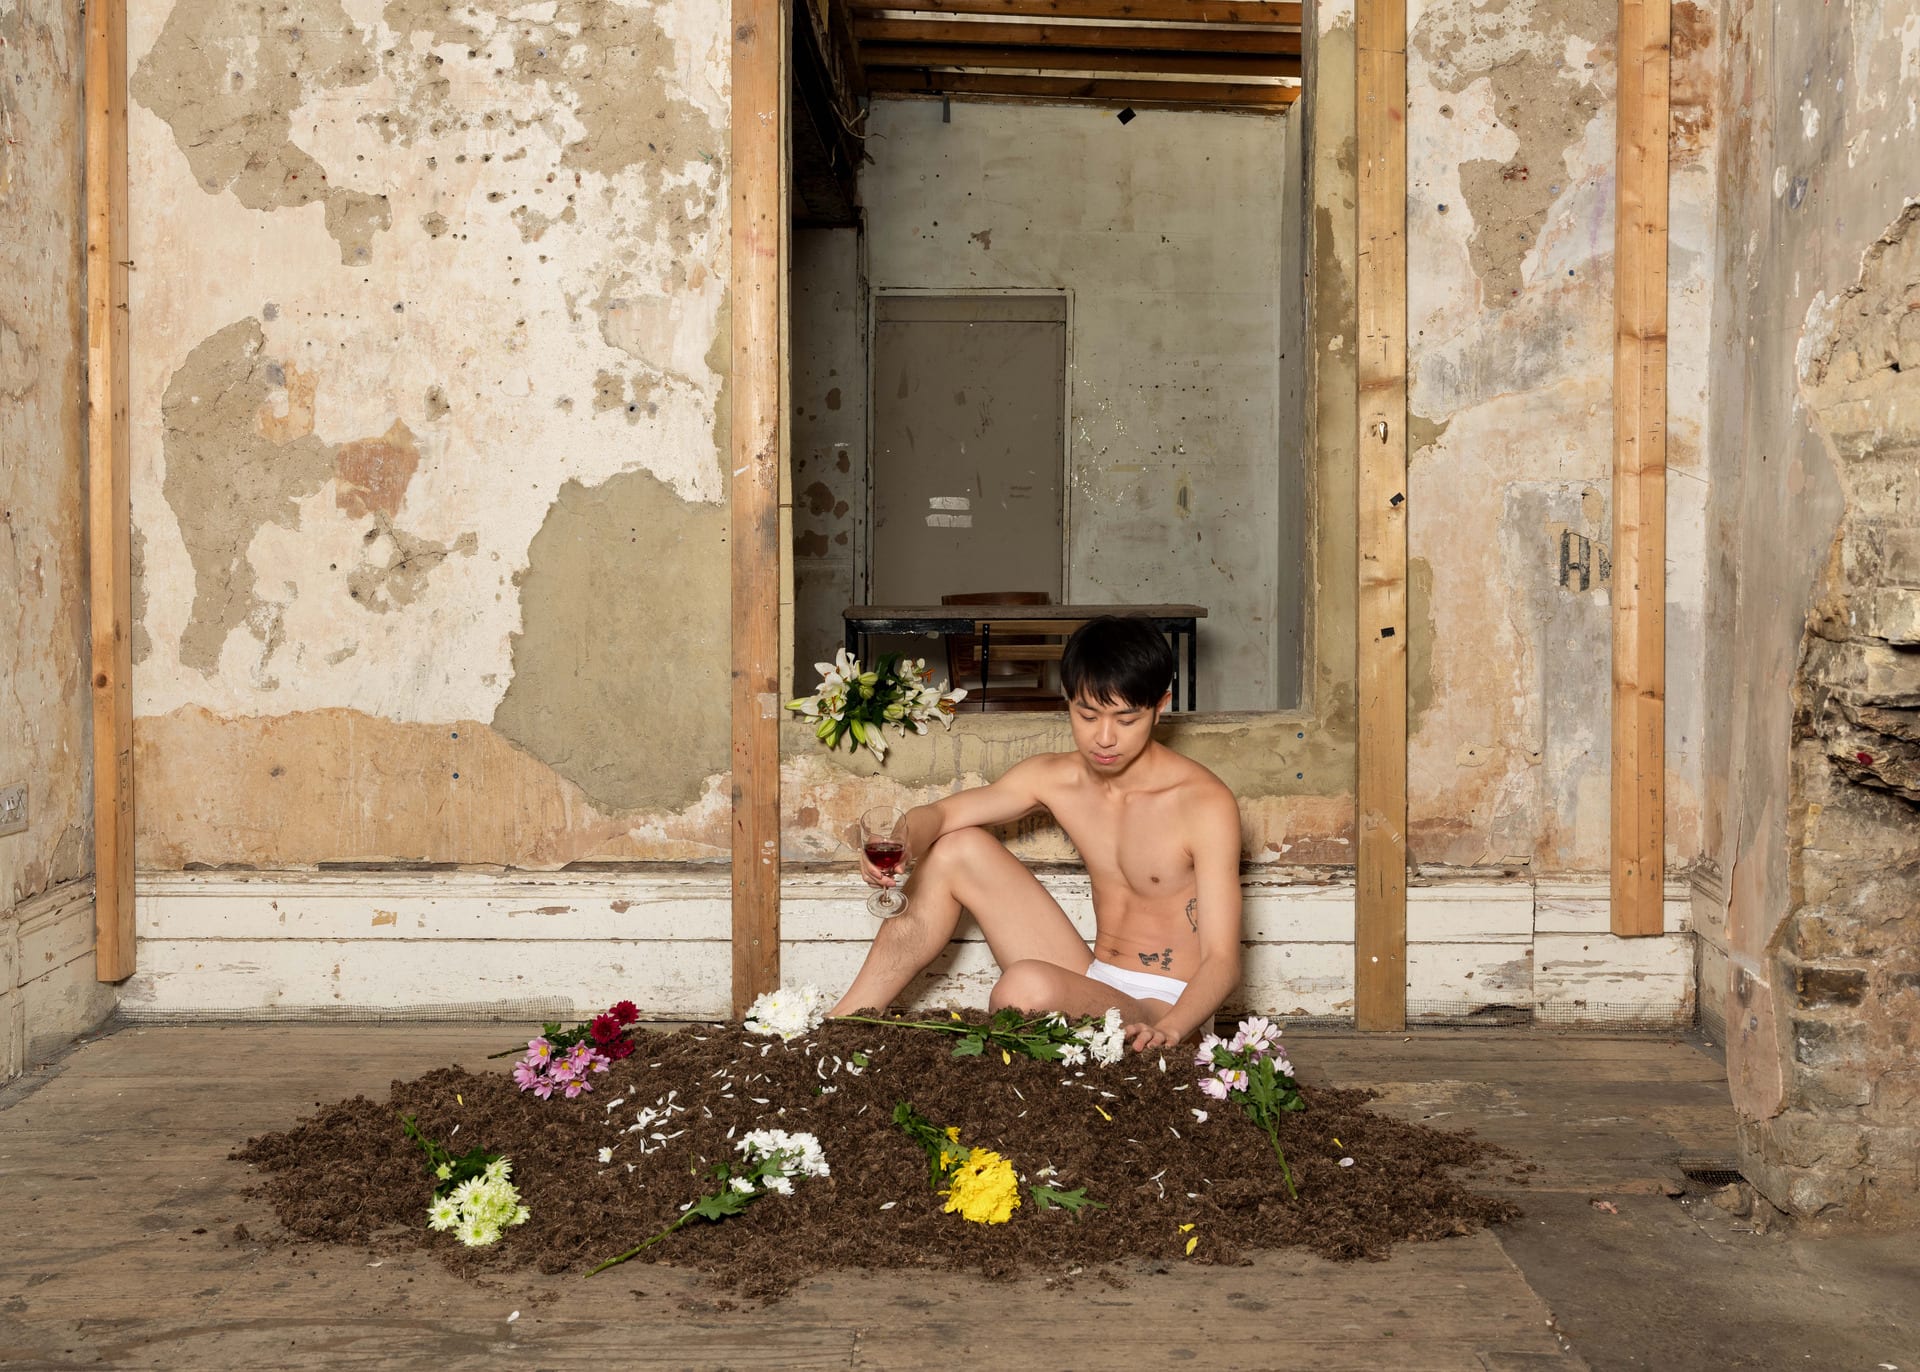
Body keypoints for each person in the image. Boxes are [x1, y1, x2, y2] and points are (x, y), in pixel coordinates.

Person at [827, 615, 1243, 1053]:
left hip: (1166, 1009)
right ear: (1069, 702)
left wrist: (1172, 1029)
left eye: (1126, 720)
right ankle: (838, 1029)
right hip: (1096, 982)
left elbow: (1223, 961)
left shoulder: (1203, 804)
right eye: (1087, 715)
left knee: (1023, 987)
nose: (1104, 738)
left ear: (1160, 706)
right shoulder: (1058, 777)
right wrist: (903, 840)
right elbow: (942, 815)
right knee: (956, 848)